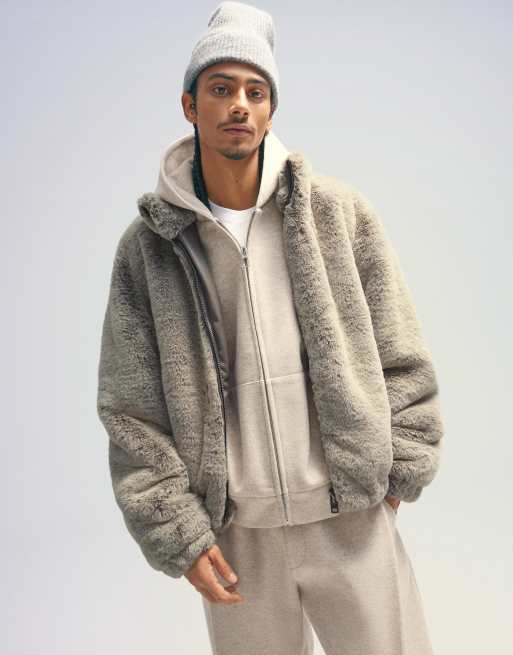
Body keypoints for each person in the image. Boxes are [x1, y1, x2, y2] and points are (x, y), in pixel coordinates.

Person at [96, 2, 444, 653]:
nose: (239, 105)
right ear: (189, 104)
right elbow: (131, 407)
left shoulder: (335, 214)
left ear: (271, 110)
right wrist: (178, 531)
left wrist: (394, 473)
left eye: (255, 92)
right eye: (220, 88)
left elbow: (401, 354)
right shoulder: (149, 250)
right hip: (238, 536)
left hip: (350, 517)